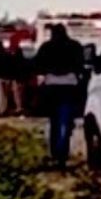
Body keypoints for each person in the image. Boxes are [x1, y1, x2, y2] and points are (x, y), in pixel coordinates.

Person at [34, 24, 85, 169]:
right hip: (70, 85)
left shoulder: (46, 47)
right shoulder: (75, 46)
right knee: (66, 120)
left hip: (51, 86)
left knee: (54, 121)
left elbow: (38, 65)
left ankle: (55, 152)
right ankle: (63, 151)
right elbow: (80, 65)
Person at [8, 40, 28, 116]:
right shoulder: (24, 61)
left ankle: (18, 108)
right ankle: (21, 107)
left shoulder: (14, 60)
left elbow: (12, 70)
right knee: (22, 94)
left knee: (16, 95)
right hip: (23, 79)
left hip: (16, 79)